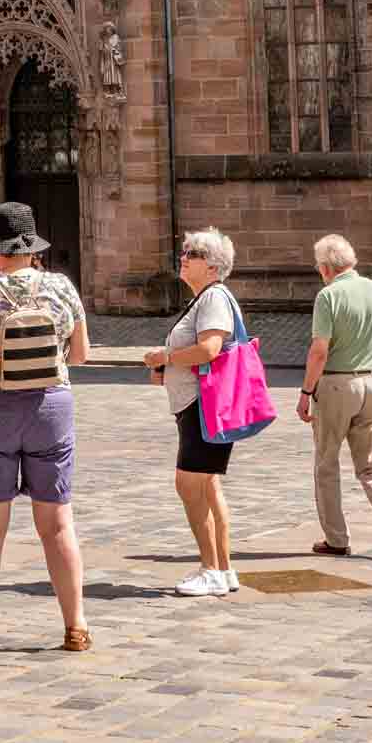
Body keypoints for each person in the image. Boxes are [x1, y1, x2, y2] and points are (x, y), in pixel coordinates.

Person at [0, 203, 91, 654]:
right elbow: (82, 354)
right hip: (51, 406)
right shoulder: (61, 287)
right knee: (57, 522)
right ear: (32, 248)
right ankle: (76, 627)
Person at [296, 236, 372, 560]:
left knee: (326, 462)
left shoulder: (328, 296)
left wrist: (306, 392)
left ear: (325, 267)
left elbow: (319, 351)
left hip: (338, 384)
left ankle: (336, 538)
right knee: (370, 463)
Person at [143, 226, 243, 597]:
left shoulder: (213, 298)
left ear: (213, 267)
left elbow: (210, 349)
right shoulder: (203, 298)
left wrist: (167, 357)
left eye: (194, 254)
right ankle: (224, 569)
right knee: (208, 485)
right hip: (195, 405)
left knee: (187, 484)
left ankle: (210, 569)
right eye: (185, 251)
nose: (184, 258)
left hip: (204, 407)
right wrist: (167, 370)